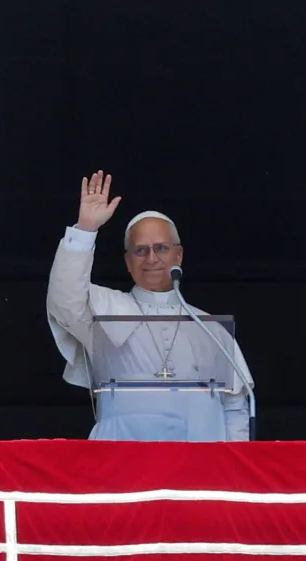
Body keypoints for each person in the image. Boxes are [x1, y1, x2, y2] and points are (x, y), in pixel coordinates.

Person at [46, 170, 254, 442]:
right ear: (128, 262)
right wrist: (85, 229)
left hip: (199, 457)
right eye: (140, 250)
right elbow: (64, 300)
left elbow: (235, 407)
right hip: (123, 455)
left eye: (161, 248)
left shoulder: (211, 327)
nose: (151, 258)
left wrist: (231, 462)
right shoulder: (104, 309)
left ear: (179, 255)